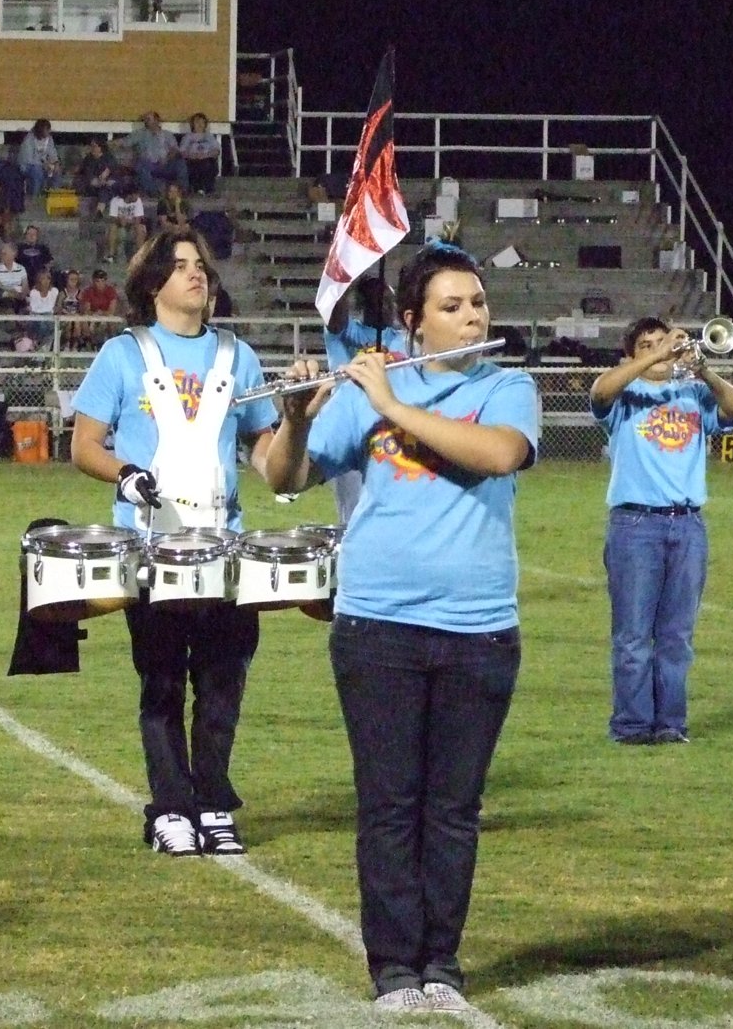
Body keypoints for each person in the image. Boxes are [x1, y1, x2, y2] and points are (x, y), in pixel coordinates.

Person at [261, 242, 540, 1013]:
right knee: (388, 805)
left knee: (452, 810)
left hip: (479, 629)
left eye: (477, 302)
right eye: (452, 306)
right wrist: (294, 418)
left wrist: (390, 402)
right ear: (414, 320)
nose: (472, 316)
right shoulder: (368, 389)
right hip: (378, 625)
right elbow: (284, 476)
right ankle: (394, 969)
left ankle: (441, 963)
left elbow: (497, 454)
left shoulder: (506, 386)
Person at [69, 227, 278, 858]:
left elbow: (265, 449)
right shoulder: (122, 354)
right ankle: (170, 810)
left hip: (224, 545)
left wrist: (297, 437)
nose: (196, 274)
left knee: (222, 684)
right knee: (161, 684)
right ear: (153, 282)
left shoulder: (237, 356)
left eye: (201, 265)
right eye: (181, 265)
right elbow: (84, 446)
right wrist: (125, 475)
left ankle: (212, 804)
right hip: (150, 549)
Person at [590, 315, 733, 745]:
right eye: (647, 344)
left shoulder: (693, 392)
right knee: (633, 635)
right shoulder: (625, 395)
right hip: (635, 525)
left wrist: (703, 369)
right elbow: (599, 391)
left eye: (663, 342)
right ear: (630, 356)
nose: (660, 350)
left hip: (688, 525)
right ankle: (632, 725)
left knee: (677, 637)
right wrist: (658, 356)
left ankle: (670, 724)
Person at [323, 277, 407, 523]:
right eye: (382, 300)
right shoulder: (345, 331)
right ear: (364, 304)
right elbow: (335, 316)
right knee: (353, 510)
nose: (390, 307)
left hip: (386, 427)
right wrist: (344, 278)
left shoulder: (400, 338)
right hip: (347, 426)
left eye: (392, 300)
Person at [17, 118, 62, 200]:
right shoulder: (29, 140)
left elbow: (52, 152)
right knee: (37, 172)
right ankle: (34, 198)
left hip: (43, 165)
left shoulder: (49, 139)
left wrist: (55, 163)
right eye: (46, 130)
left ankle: (53, 197)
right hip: (27, 166)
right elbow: (28, 159)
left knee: (57, 172)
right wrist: (43, 165)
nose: (48, 132)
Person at [180, 112, 221, 194]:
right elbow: (182, 152)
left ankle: (208, 190)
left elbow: (216, 150)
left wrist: (206, 155)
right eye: (197, 122)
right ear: (193, 124)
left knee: (207, 165)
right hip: (192, 160)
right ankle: (195, 188)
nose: (200, 125)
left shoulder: (209, 137)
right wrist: (192, 156)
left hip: (207, 159)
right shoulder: (188, 137)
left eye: (202, 122)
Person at [106, 184, 148, 263]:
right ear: (130, 195)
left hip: (132, 224)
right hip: (119, 224)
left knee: (140, 228)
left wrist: (127, 221)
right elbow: (112, 218)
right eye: (136, 194)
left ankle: (140, 257)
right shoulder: (115, 201)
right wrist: (120, 220)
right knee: (112, 227)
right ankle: (111, 256)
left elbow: (138, 219)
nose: (138, 196)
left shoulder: (138, 201)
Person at [0, 243, 29, 313]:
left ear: (13, 254)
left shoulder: (21, 268)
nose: (2, 256)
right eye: (2, 254)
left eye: (5, 254)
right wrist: (11, 292)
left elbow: (25, 286)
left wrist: (21, 294)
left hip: (18, 296)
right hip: (4, 296)